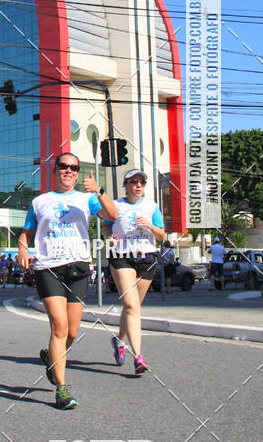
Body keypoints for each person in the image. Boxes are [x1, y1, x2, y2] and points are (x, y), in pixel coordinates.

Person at [18, 152, 118, 410]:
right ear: (55, 170)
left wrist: (100, 190)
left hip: (78, 269)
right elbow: (26, 232)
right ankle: (62, 389)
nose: (69, 171)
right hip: (48, 267)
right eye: (64, 166)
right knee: (59, 327)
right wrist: (22, 248)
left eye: (74, 167)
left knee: (73, 331)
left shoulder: (87, 199)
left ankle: (52, 358)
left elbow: (113, 215)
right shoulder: (40, 201)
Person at [103, 169, 165, 376]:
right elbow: (106, 227)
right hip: (122, 256)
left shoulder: (151, 206)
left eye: (142, 182)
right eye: (133, 182)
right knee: (131, 305)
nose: (138, 185)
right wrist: (109, 237)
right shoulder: (116, 205)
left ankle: (120, 341)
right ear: (125, 185)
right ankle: (138, 356)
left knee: (133, 307)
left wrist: (150, 225)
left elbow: (162, 235)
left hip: (146, 258)